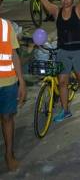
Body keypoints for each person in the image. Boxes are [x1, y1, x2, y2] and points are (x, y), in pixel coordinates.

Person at [37, 0, 80, 122]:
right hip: (62, 52)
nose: (66, 0)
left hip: (78, 50)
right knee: (62, 81)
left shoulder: (78, 10)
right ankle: (65, 110)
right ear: (59, 0)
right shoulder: (56, 11)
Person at [0, 17, 26, 171]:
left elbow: (14, 54)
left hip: (8, 82)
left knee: (7, 117)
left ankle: (9, 154)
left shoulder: (5, 26)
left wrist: (21, 81)